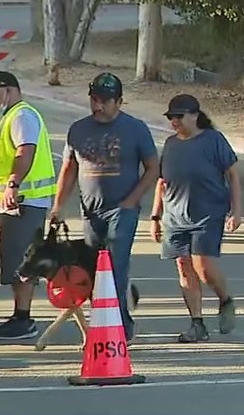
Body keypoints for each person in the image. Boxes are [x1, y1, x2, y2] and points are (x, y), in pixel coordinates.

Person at [51, 72, 159, 343]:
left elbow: (152, 167)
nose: (98, 106)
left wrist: (131, 201)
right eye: (94, 100)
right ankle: (103, 323)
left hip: (121, 211)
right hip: (90, 212)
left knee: (115, 267)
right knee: (91, 271)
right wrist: (58, 206)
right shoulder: (78, 129)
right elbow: (69, 169)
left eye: (105, 101)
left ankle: (119, 330)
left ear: (119, 101)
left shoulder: (135, 129)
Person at [150, 93, 242, 343]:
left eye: (178, 116)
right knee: (183, 266)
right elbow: (162, 182)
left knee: (203, 266)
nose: (174, 121)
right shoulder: (170, 144)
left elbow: (232, 175)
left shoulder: (214, 140)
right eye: (171, 117)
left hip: (208, 213)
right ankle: (197, 323)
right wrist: (155, 216)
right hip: (175, 216)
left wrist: (237, 211)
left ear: (194, 115)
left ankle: (225, 300)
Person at [0, 71, 58, 340]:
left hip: (25, 201)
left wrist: (13, 183)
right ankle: (17, 317)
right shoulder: (8, 116)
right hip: (11, 202)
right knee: (11, 259)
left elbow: (26, 150)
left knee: (21, 260)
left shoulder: (22, 115)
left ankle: (23, 318)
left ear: (7, 90)